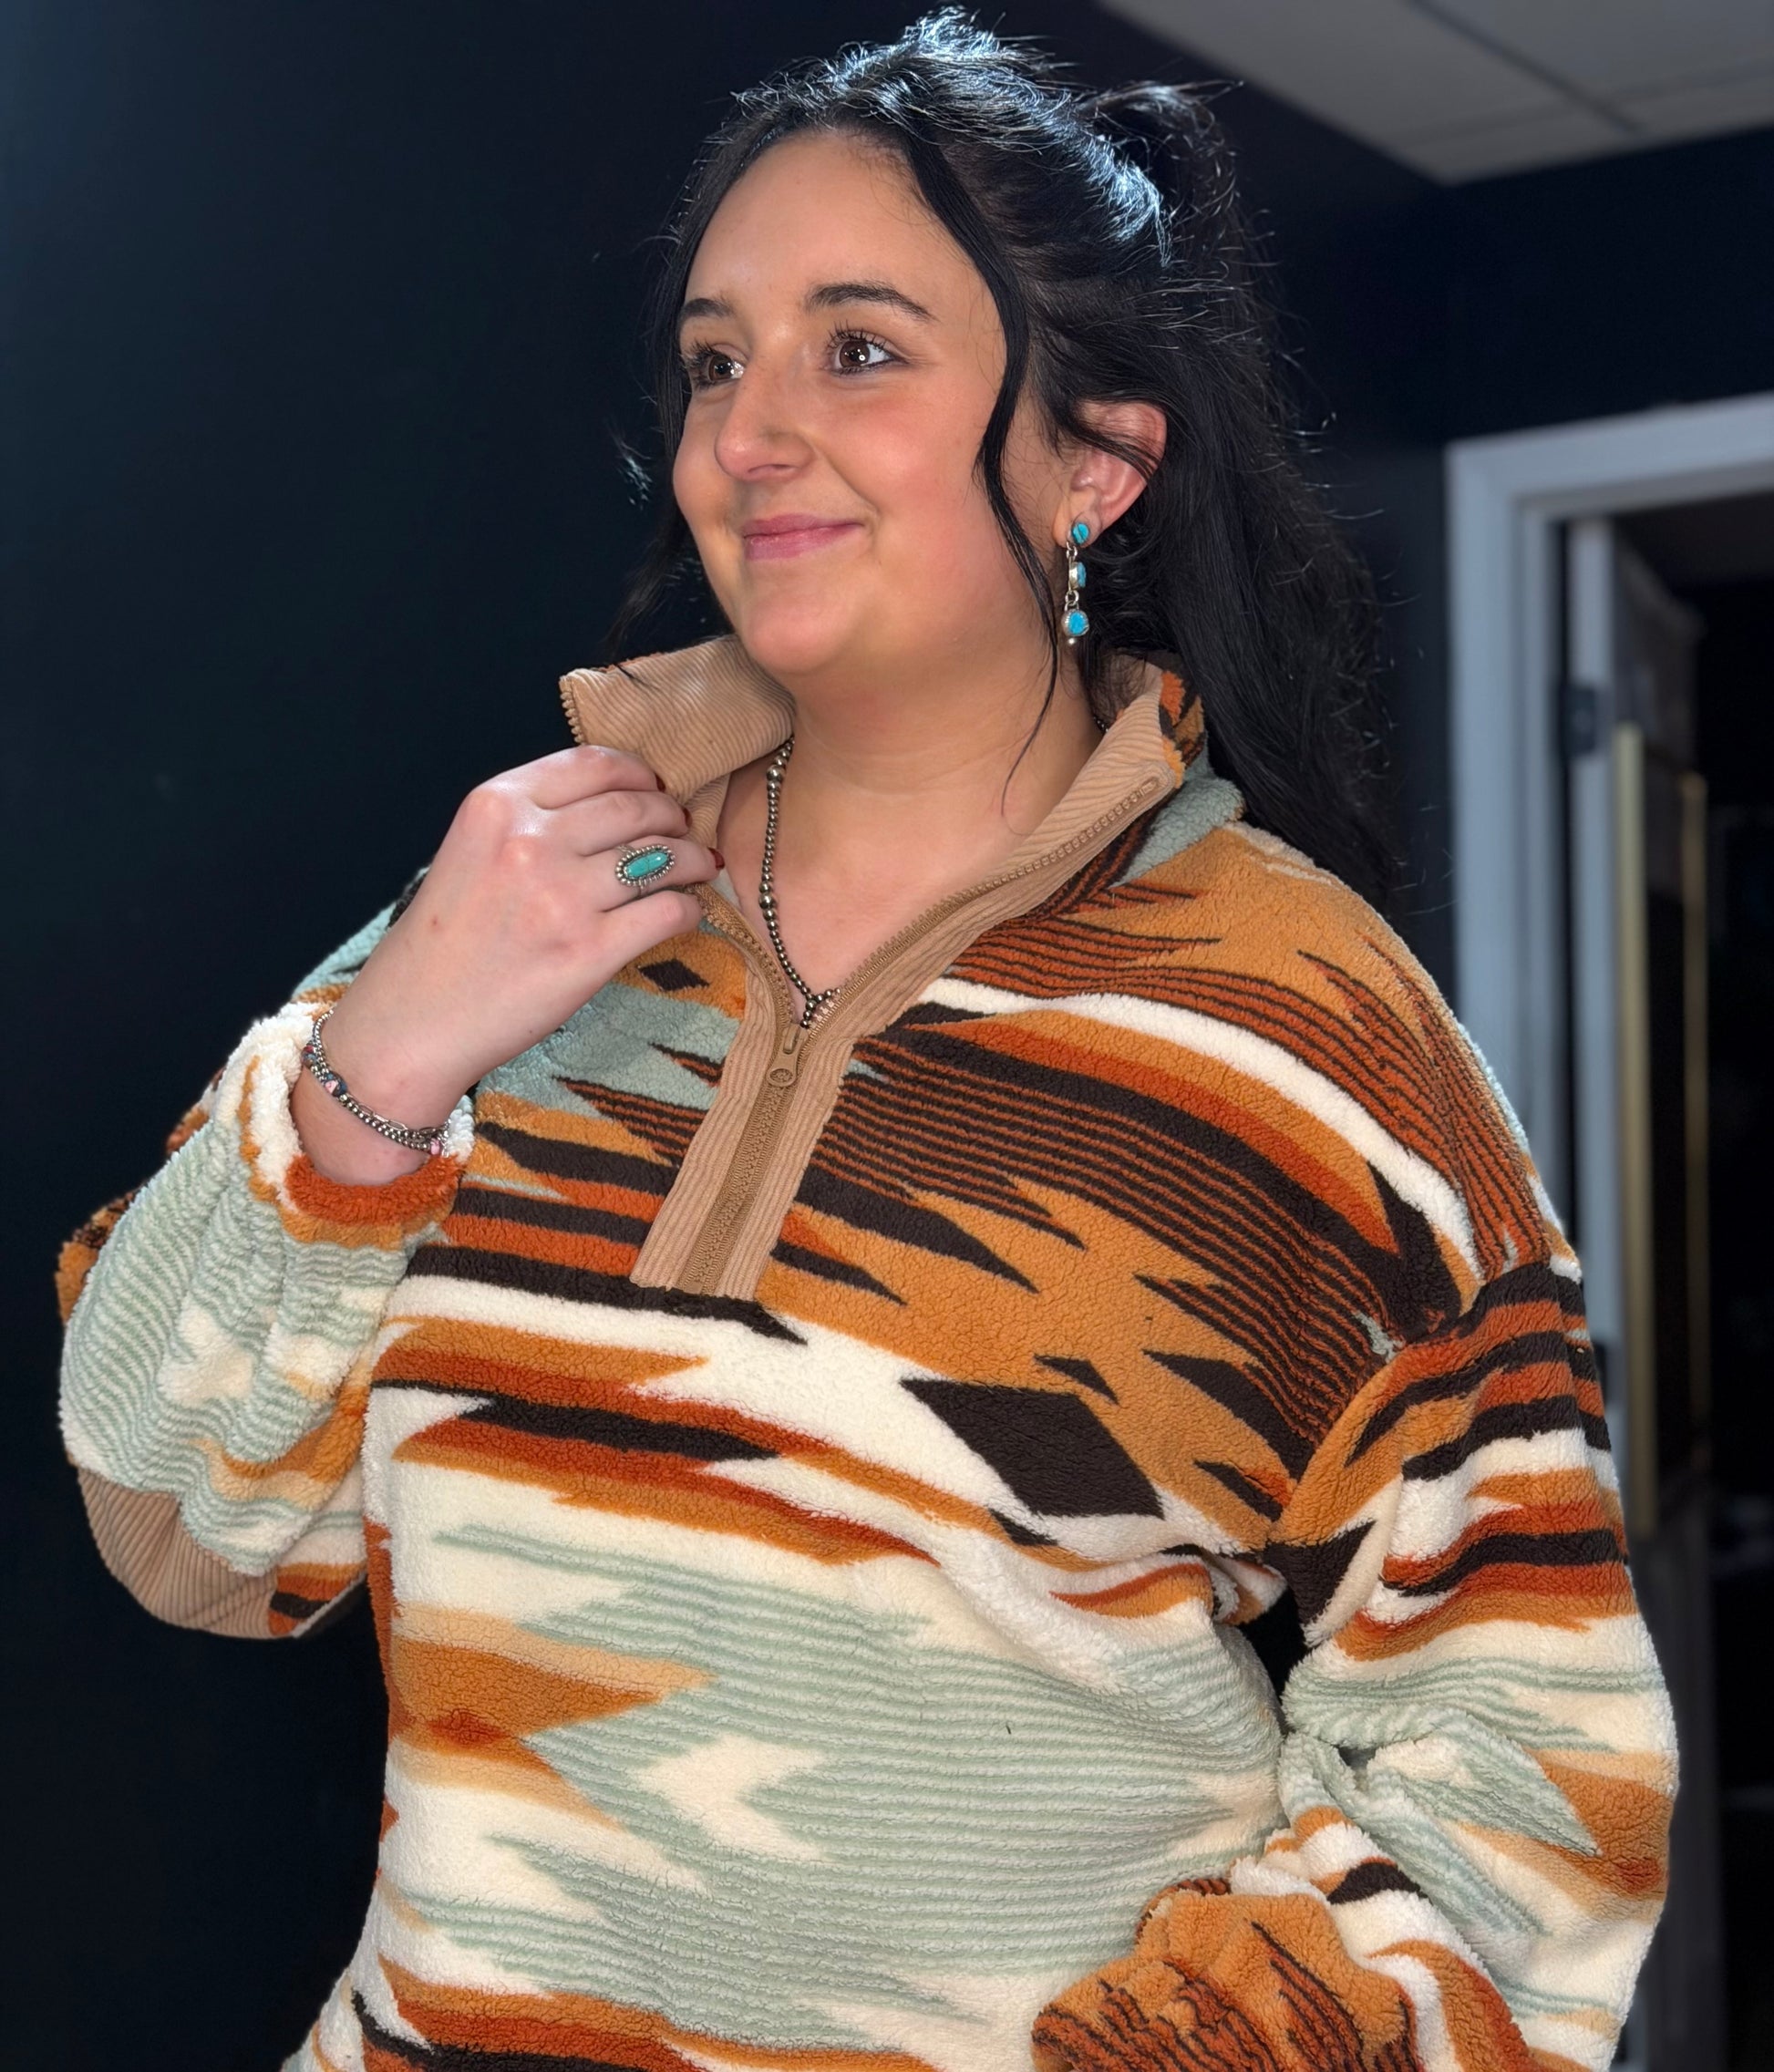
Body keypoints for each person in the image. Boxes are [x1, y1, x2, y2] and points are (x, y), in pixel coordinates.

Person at [57, 14, 1675, 2071]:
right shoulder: (519, 909)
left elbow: (1524, 1759)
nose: (747, 433)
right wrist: (376, 1068)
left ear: (1095, 460)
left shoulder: (1304, 1026)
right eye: (713, 360)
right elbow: (177, 1537)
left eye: (857, 349)